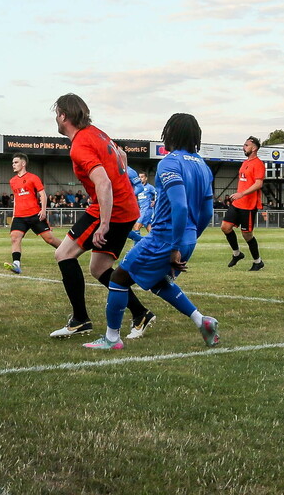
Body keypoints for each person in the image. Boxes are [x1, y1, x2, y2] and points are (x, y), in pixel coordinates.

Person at [84, 113, 220, 350]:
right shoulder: (204, 167)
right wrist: (188, 240)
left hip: (165, 239)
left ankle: (112, 339)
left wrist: (175, 246)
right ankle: (203, 321)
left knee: (118, 279)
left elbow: (180, 205)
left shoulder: (170, 162)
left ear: (172, 133)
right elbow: (208, 212)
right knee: (157, 281)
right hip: (186, 238)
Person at [49, 94, 154, 339]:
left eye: (57, 114)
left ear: (64, 116)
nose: (56, 118)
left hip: (111, 209)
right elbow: (122, 157)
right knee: (100, 268)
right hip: (126, 207)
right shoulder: (98, 133)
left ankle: (80, 320)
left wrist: (104, 223)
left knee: (63, 254)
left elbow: (103, 183)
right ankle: (140, 314)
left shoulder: (80, 144)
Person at [4, 153, 60, 274]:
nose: (13, 165)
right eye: (13, 163)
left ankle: (68, 252)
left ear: (23, 163)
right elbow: (16, 200)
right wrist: (14, 215)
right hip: (19, 216)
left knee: (49, 239)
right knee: (15, 238)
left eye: (16, 162)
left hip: (35, 214)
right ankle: (16, 265)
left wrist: (43, 210)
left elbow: (43, 195)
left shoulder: (33, 178)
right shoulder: (12, 181)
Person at [220, 136, 266, 271]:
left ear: (254, 148)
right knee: (225, 227)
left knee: (247, 235)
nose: (243, 147)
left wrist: (242, 193)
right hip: (238, 203)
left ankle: (258, 262)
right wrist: (238, 195)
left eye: (246, 145)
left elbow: (259, 184)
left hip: (249, 206)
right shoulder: (245, 162)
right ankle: (237, 254)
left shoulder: (258, 164)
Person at [128, 172, 156, 244]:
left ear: (146, 178)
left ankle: (135, 248)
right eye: (139, 177)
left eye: (142, 177)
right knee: (150, 229)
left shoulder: (149, 187)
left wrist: (155, 201)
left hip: (146, 211)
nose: (140, 178)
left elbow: (157, 194)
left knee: (136, 227)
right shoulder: (138, 188)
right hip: (141, 210)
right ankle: (156, 244)